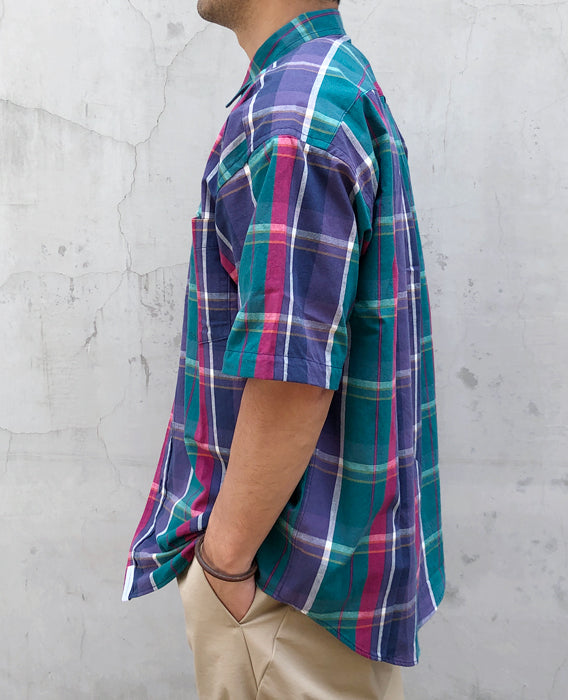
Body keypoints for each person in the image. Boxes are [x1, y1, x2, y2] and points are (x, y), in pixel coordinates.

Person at [122, 1, 445, 697]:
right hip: (305, 583)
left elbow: (292, 371)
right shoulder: (328, 82)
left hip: (282, 589)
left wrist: (224, 563)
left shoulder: (293, 112)